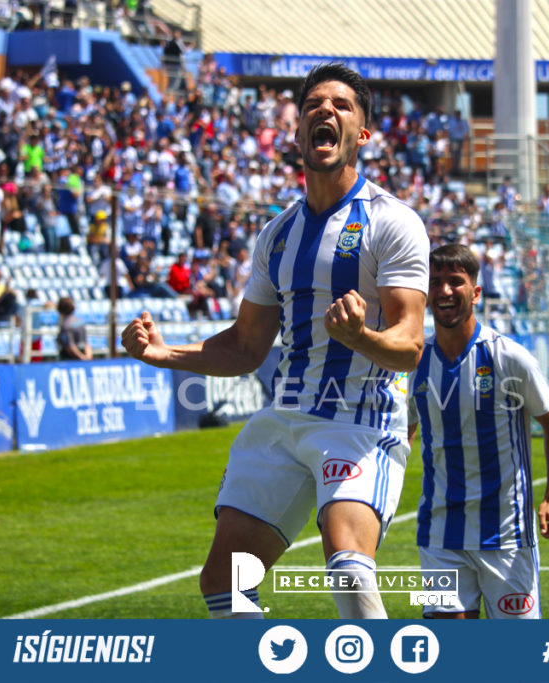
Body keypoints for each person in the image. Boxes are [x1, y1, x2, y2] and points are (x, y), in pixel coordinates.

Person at [122, 63, 429, 619]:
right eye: (314, 103)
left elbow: (409, 345)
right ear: (296, 130)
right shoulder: (278, 234)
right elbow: (245, 346)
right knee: (223, 580)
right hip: (285, 416)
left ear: (362, 134)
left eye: (341, 104)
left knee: (347, 563)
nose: (325, 111)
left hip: (358, 420)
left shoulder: (394, 221)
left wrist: (359, 335)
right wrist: (161, 353)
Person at [406, 244, 549, 619]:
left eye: (455, 282)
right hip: (440, 532)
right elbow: (403, 433)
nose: (444, 291)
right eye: (435, 283)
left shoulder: (507, 357)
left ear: (476, 292)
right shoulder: (415, 362)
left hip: (506, 534)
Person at [56, 296, 91, 361]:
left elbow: (70, 347)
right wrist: (88, 356)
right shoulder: (80, 321)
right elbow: (86, 343)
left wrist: (82, 357)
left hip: (70, 359)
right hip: (83, 355)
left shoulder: (66, 325)